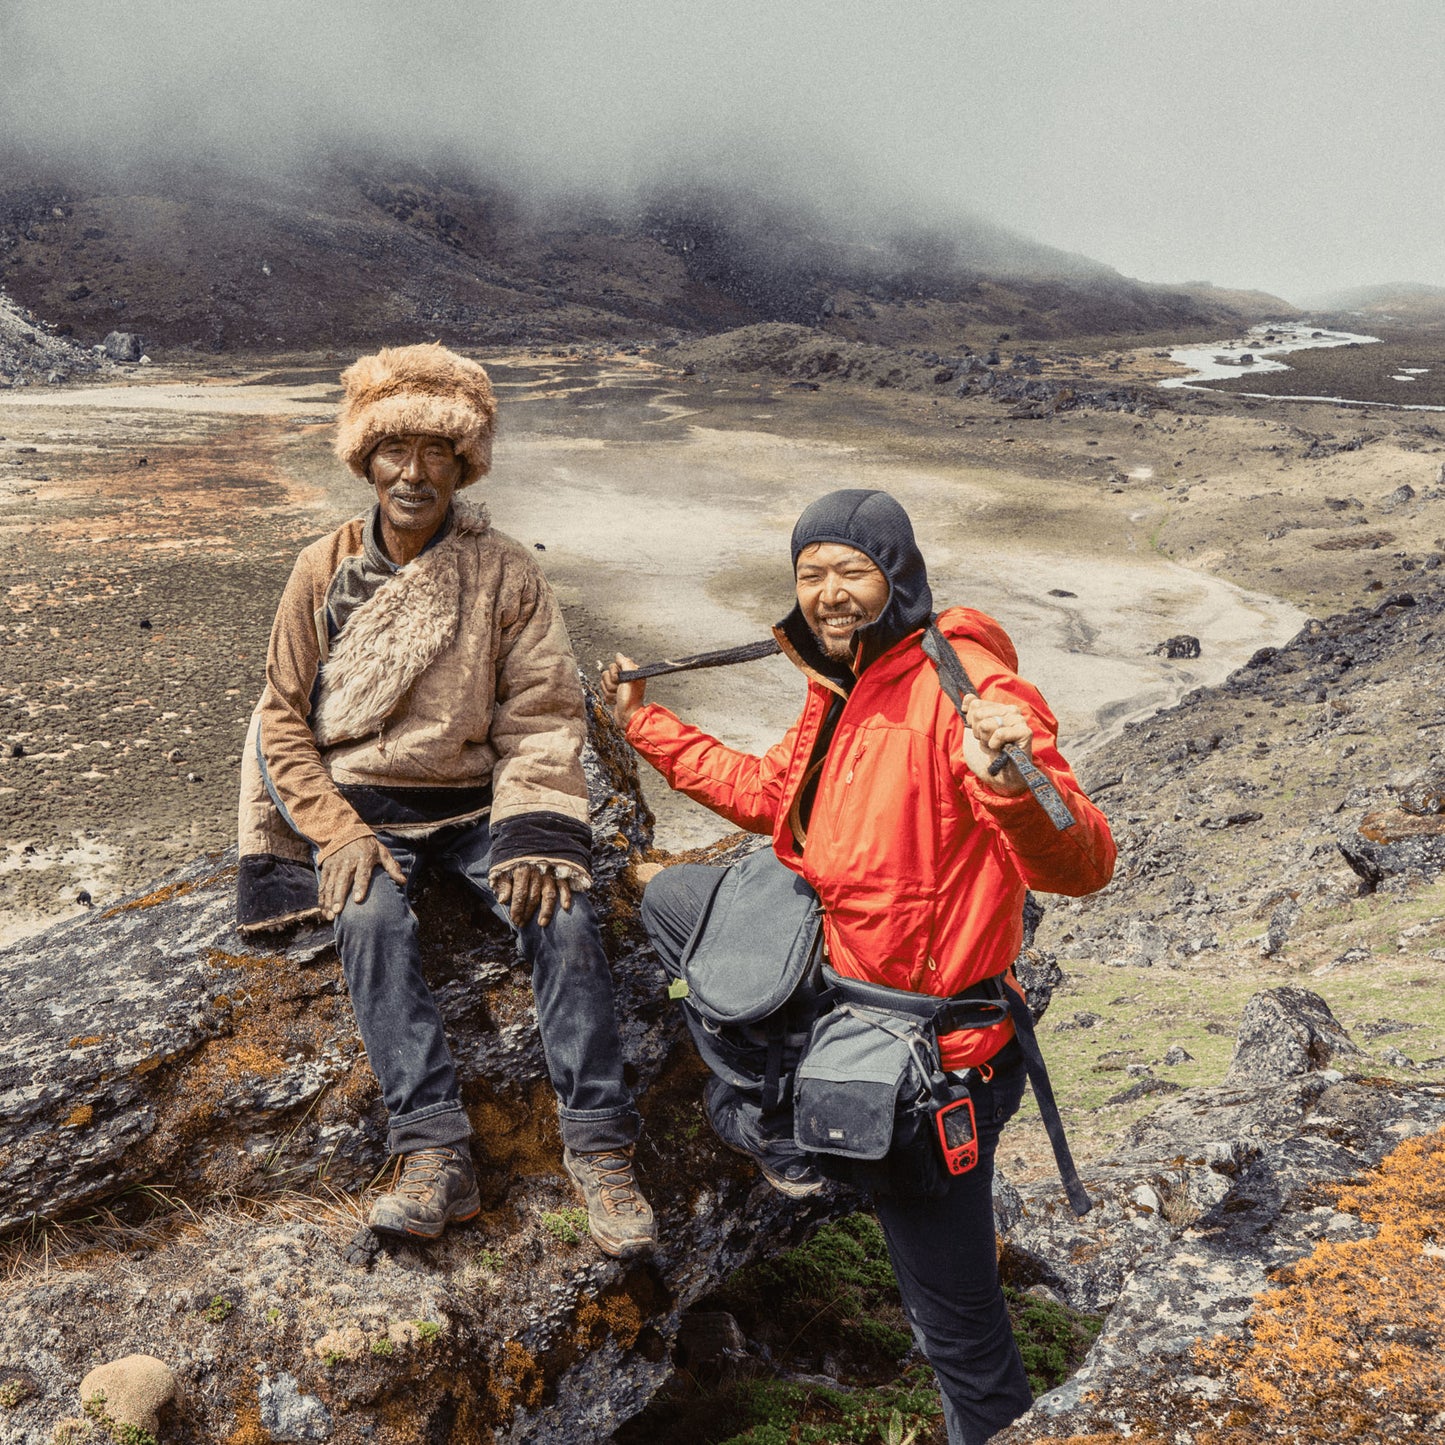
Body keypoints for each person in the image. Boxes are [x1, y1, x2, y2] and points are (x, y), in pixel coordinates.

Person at [600, 488, 1115, 1442]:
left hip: (932, 1048)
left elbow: (1082, 861)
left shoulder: (966, 685)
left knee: (953, 1329)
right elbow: (769, 795)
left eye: (851, 570)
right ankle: (785, 1127)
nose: (829, 592)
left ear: (898, 573)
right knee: (676, 901)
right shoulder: (838, 680)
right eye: (811, 574)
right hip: (836, 983)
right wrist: (646, 725)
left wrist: (1006, 784)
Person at [237, 342, 654, 1259]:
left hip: (475, 808)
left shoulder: (504, 572)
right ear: (365, 458)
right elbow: (280, 718)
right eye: (395, 449)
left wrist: (535, 829)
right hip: (364, 806)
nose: (414, 472)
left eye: (437, 452)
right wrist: (337, 831)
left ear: (465, 462)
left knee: (565, 914)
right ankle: (434, 1153)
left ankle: (602, 1149)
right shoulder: (321, 569)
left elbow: (543, 715)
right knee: (368, 918)